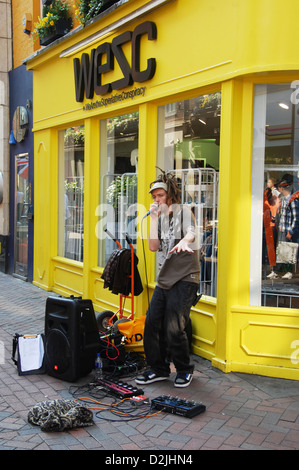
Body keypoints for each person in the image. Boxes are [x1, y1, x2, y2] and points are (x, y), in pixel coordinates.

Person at [135, 169, 200, 388]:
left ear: (170, 195)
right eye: (154, 197)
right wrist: (154, 219)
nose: (156, 200)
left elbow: (192, 232)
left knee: (174, 327)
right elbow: (153, 247)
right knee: (151, 324)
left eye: (160, 196)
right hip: (165, 279)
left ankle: (183, 369)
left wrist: (185, 241)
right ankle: (159, 369)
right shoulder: (160, 218)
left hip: (185, 278)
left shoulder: (183, 212)